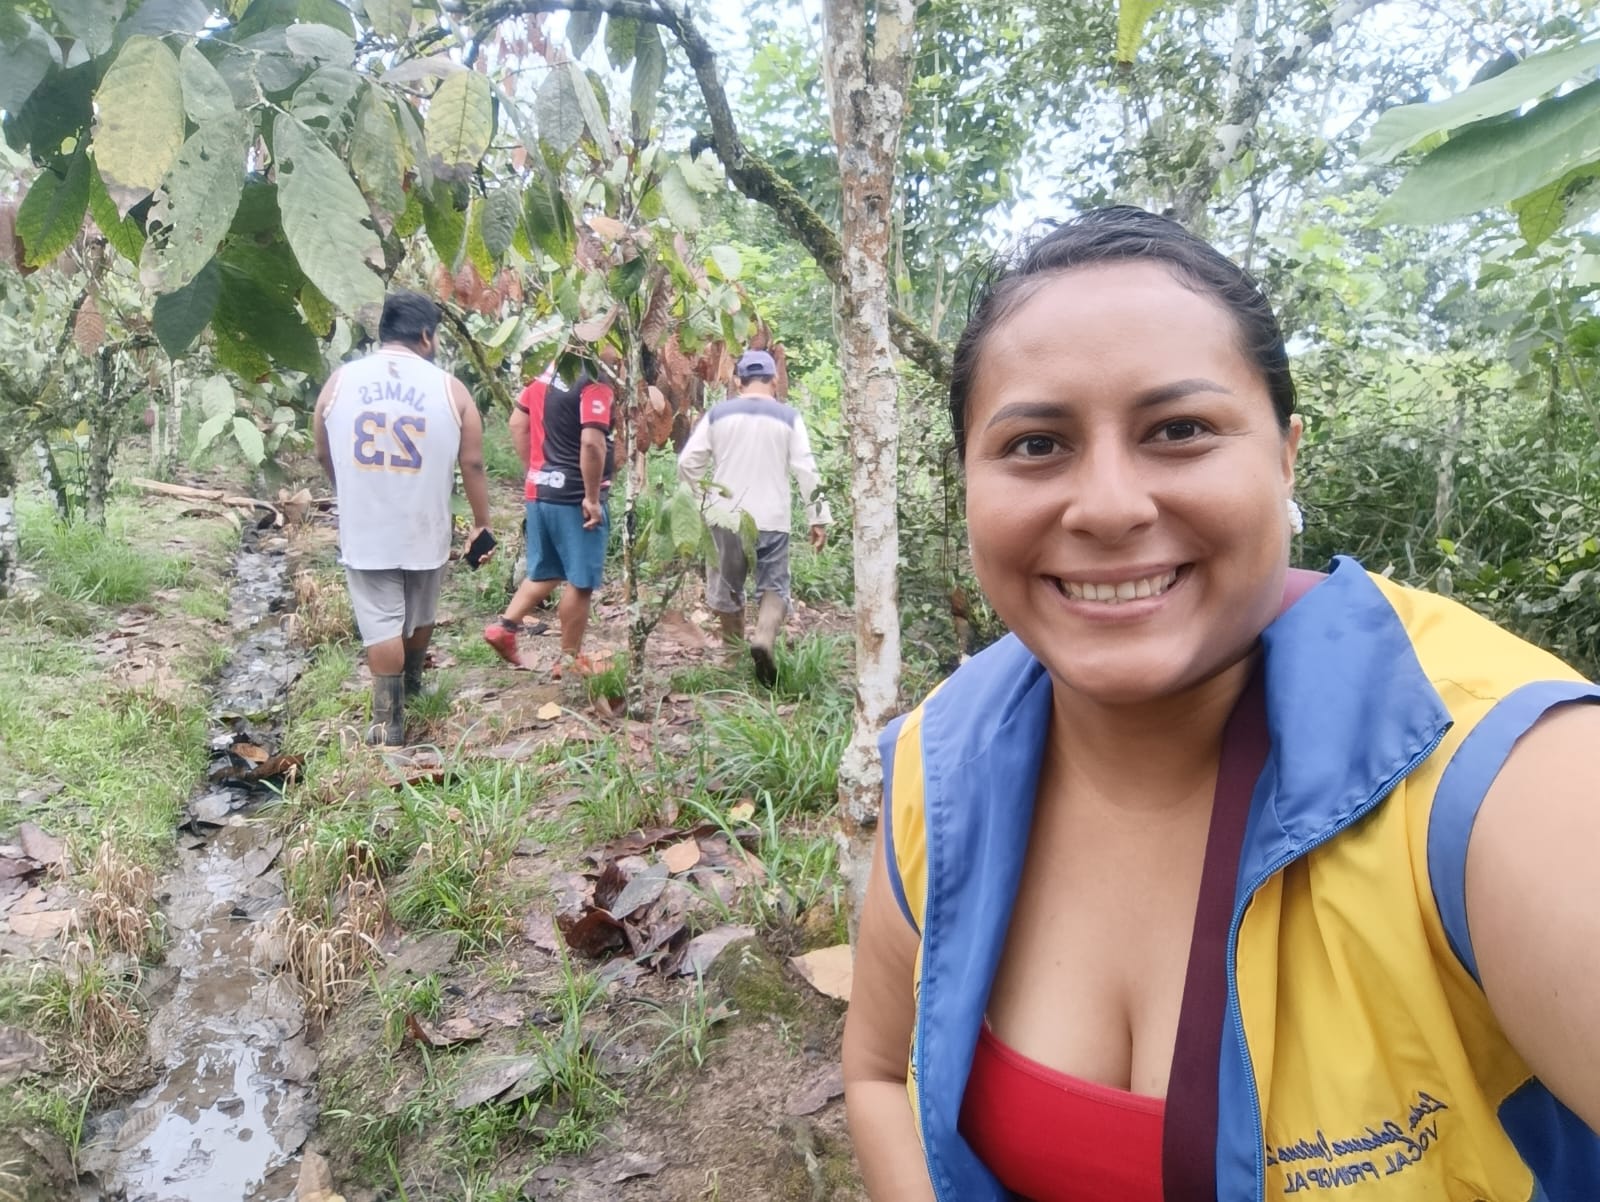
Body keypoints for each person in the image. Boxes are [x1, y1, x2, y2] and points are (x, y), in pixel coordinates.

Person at [842, 207, 1600, 1200]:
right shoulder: (940, 762)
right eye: (1036, 443)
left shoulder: (1498, 773)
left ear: (1285, 456)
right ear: (969, 483)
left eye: (1180, 431)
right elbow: (878, 1073)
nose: (1108, 506)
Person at [314, 290, 493, 746]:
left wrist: (347, 489)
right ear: (426, 336)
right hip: (425, 525)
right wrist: (481, 522)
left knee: (381, 621)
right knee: (420, 611)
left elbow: (323, 449)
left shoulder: (340, 382)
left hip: (367, 526)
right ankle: (412, 684)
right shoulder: (451, 389)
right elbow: (472, 463)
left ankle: (387, 721)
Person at [677, 348, 831, 685]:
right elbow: (807, 469)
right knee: (774, 585)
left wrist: (700, 499)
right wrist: (818, 517)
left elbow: (687, 463)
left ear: (738, 382)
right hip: (773, 517)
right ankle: (763, 638)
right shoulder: (789, 417)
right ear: (775, 380)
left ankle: (732, 655)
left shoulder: (718, 414)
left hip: (725, 515)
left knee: (726, 587)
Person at [482, 346, 618, 676]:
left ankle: (505, 628)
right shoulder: (594, 380)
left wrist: (536, 471)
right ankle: (569, 660)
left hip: (540, 490)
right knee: (581, 581)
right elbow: (592, 442)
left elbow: (518, 422)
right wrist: (591, 498)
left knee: (547, 570)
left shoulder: (549, 371)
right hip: (574, 496)